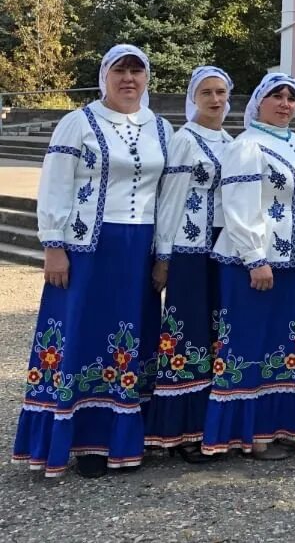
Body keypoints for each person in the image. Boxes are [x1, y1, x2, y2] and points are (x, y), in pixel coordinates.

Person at [13, 45, 172, 478]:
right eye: (119, 70)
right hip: (88, 247)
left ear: (147, 78)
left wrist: (165, 255)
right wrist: (53, 244)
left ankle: (125, 436)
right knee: (84, 332)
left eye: (137, 71)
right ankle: (85, 440)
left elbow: (168, 196)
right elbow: (55, 185)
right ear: (104, 76)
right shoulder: (77, 123)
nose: (128, 79)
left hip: (139, 247)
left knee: (133, 333)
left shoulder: (160, 127)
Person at [202, 73, 295, 460]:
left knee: (287, 342)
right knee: (250, 342)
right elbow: (239, 205)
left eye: (291, 97)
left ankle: (282, 425)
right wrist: (255, 258)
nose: (285, 104)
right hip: (256, 261)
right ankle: (249, 433)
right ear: (258, 102)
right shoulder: (247, 145)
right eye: (276, 97)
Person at [146, 65, 235, 461]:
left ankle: (214, 424)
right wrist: (163, 256)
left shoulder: (231, 141)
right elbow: (170, 201)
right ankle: (182, 430)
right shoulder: (185, 141)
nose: (215, 100)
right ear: (193, 99)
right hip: (189, 247)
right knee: (189, 333)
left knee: (220, 332)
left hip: (224, 247)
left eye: (221, 92)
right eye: (207, 93)